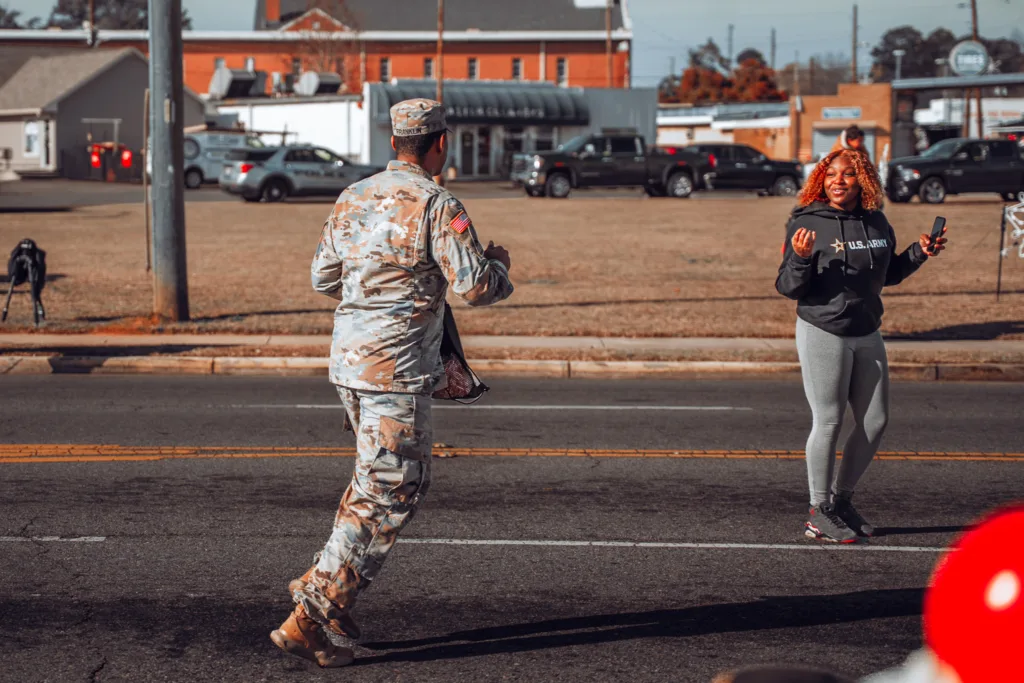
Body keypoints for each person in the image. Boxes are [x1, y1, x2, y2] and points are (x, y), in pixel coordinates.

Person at [270, 98, 514, 667]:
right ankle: (313, 608)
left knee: (374, 482)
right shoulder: (436, 203)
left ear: (394, 142)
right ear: (440, 144)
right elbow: (476, 287)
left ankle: (328, 587)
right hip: (395, 369)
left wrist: (371, 289)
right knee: (393, 487)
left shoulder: (353, 196)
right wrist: (497, 263)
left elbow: (322, 276)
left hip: (349, 363)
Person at [775, 149, 947, 543]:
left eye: (848, 174)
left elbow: (888, 275)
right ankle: (817, 512)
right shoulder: (806, 221)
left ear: (863, 180)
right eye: (831, 174)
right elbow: (787, 286)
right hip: (824, 329)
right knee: (830, 420)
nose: (839, 180)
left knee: (875, 421)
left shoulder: (877, 221)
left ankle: (841, 502)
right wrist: (800, 258)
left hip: (867, 330)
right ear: (821, 179)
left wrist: (920, 252)